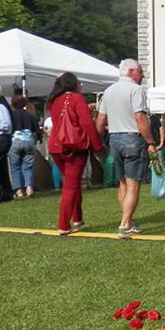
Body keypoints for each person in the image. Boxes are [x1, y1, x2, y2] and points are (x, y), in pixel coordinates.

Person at [96, 58, 156, 238]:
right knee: (133, 185)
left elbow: (100, 121)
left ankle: (128, 221)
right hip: (132, 138)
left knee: (122, 183)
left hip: (114, 138)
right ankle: (125, 225)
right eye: (140, 71)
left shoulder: (108, 91)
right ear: (131, 71)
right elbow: (140, 118)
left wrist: (98, 142)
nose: (142, 75)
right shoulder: (136, 90)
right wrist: (151, 142)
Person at [48, 73, 104, 235]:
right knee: (71, 186)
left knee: (72, 184)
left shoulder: (53, 100)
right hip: (74, 147)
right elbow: (86, 123)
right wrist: (97, 145)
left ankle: (77, 217)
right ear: (74, 84)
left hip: (56, 146)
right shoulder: (77, 99)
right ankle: (64, 225)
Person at [8, 93, 40, 199]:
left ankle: (19, 190)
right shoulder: (30, 115)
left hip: (15, 141)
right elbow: (37, 130)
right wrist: (39, 139)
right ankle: (29, 187)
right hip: (29, 141)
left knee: (15, 166)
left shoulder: (11, 116)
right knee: (28, 166)